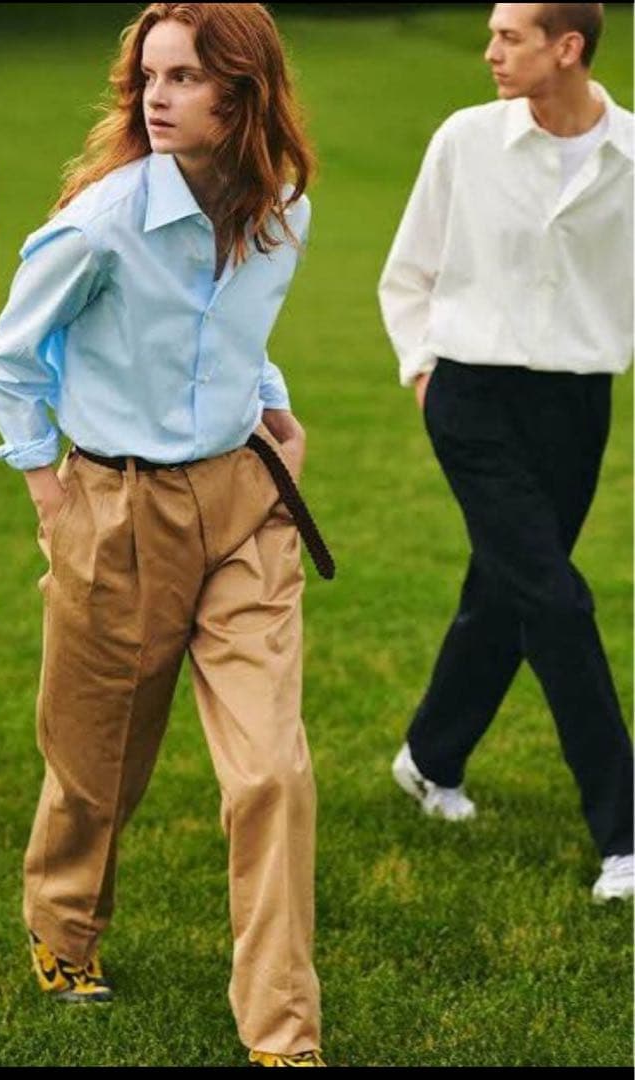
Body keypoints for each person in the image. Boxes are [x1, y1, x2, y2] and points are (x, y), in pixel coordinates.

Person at [0, 2, 328, 1066]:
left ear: (244, 89)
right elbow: (10, 357)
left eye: (183, 77)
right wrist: (50, 493)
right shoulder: (103, 223)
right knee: (98, 766)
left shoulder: (284, 207)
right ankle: (63, 926)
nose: (155, 97)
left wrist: (272, 404)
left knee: (271, 772)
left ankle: (283, 1034)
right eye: (148, 78)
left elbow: (233, 330)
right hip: (117, 509)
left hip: (246, 504)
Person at [379, 2, 633, 903]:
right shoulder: (466, 139)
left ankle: (429, 756)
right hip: (472, 398)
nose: (489, 51)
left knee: (506, 594)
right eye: (491, 33)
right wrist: (425, 374)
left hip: (578, 403)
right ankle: (626, 835)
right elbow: (409, 271)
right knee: (556, 599)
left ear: (567, 48)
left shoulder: (629, 156)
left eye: (509, 36)